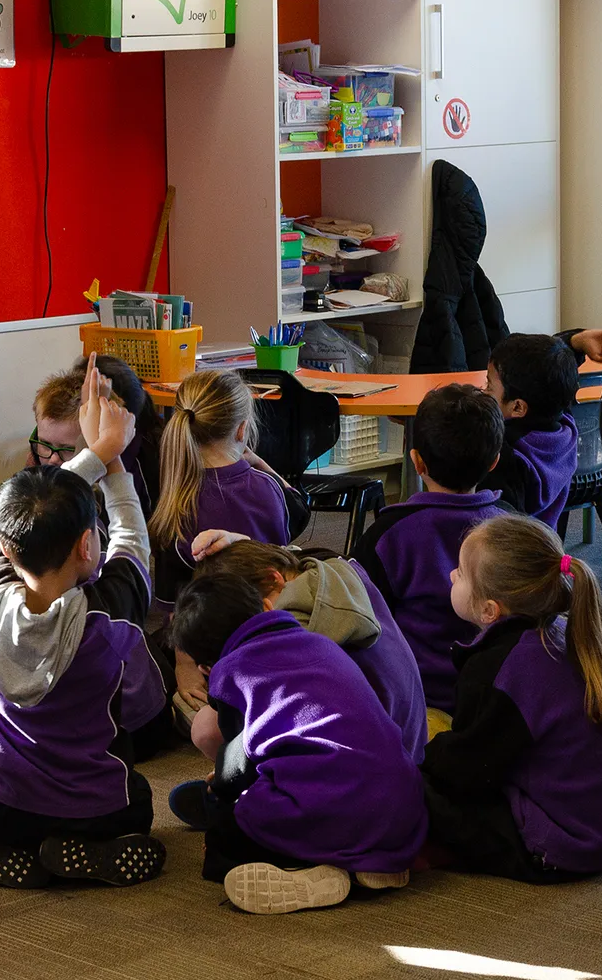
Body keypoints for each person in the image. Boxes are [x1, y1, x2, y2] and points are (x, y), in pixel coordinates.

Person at [0, 359, 168, 890]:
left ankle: (17, 851)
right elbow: (133, 543)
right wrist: (113, 459)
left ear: (6, 548)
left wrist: (96, 453)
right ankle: (85, 849)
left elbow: (15, 528)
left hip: (1, 805)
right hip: (96, 809)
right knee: (139, 800)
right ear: (87, 545)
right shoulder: (109, 613)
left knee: (12, 795)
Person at [171, 573, 427, 915]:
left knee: (233, 823)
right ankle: (371, 863)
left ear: (206, 667)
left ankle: (311, 868)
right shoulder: (322, 642)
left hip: (336, 812)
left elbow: (235, 769)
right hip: (402, 813)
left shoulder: (230, 672)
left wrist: (222, 797)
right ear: (267, 606)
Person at [425, 515, 602, 883]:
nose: (451, 576)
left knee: (411, 784)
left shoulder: (502, 669)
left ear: (489, 610)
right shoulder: (563, 632)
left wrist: (421, 756)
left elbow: (466, 773)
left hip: (563, 845)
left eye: (460, 573)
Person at [177, 536, 427, 771]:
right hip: (410, 746)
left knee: (207, 727)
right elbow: (289, 556)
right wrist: (243, 543)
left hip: (365, 768)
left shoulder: (292, 635)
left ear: (272, 580)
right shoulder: (337, 568)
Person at [147, 369, 308, 722]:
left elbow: (174, 601)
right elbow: (300, 509)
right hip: (273, 629)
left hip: (206, 643)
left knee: (147, 652)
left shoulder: (174, 503)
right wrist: (262, 465)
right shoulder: (268, 489)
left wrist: (184, 666)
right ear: (241, 430)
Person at [353, 383, 510, 718]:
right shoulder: (512, 528)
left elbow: (358, 620)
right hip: (501, 701)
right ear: (495, 461)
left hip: (418, 702)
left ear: (417, 462)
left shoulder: (388, 535)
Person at [30, 355, 163, 517]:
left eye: (68, 449)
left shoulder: (136, 469)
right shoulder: (44, 451)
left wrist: (102, 453)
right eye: (44, 444)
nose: (52, 459)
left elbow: (54, 500)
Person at [479, 333, 580, 527]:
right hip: (544, 539)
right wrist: (575, 342)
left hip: (509, 542)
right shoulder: (565, 425)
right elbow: (554, 367)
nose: (483, 391)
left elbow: (497, 525)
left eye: (489, 386)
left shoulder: (506, 455)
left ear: (518, 407)